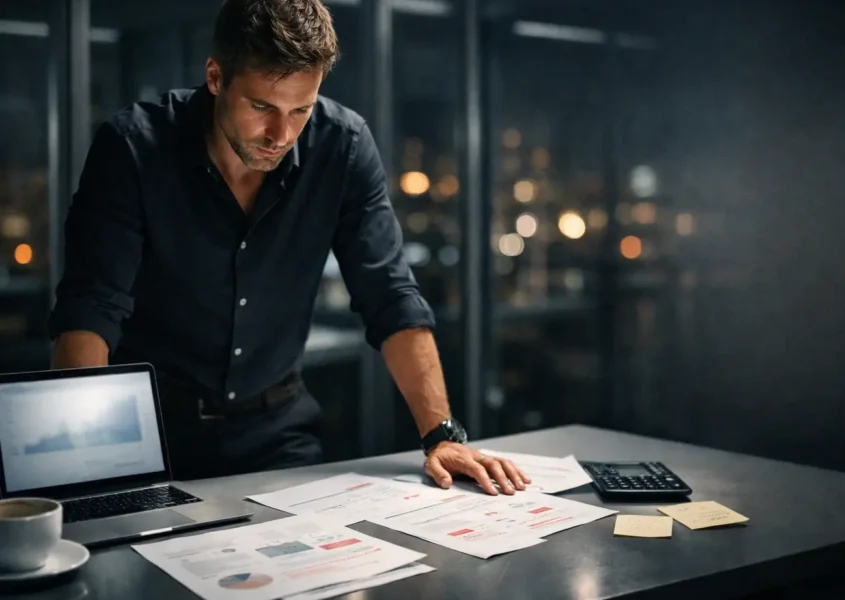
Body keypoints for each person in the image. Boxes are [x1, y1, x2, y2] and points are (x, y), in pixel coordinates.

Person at [47, 0, 528, 495]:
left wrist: (441, 435)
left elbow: (389, 294)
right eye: (262, 108)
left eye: (302, 109)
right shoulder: (133, 148)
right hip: (153, 434)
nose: (282, 135)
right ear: (215, 77)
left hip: (278, 433)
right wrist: (86, 465)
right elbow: (92, 308)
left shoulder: (342, 146)